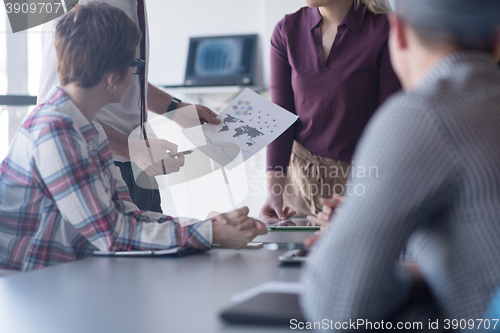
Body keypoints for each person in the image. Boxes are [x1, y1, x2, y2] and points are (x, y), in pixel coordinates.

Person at [0, 3, 266, 272]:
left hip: (65, 274)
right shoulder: (56, 131)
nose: (137, 76)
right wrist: (209, 234)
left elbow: (125, 214)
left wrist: (204, 226)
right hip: (31, 285)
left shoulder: (92, 129)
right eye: (136, 66)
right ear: (114, 77)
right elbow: (111, 234)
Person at [301, 0, 500, 325]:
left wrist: (376, 262)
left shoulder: (424, 112)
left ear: (400, 33)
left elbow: (334, 306)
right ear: (495, 42)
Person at [38, 0, 221, 213]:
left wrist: (175, 109)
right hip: (101, 160)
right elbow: (58, 103)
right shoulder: (76, 7)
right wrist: (131, 148)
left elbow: (126, 73)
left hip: (135, 160)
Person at [260, 0, 401, 224]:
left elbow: (392, 124)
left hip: (359, 184)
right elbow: (280, 116)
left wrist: (368, 194)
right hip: (297, 187)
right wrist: (273, 190)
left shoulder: (387, 29)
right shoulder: (287, 29)